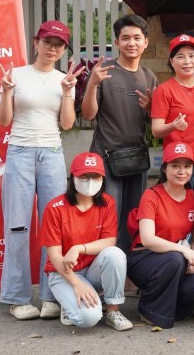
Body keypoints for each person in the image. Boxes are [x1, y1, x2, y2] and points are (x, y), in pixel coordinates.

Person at [0, 19, 82, 321]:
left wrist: (68, 91)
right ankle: (17, 297)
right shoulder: (16, 75)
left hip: (52, 154)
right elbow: (4, 120)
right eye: (48, 42)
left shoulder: (63, 79)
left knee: (53, 228)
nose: (52, 49)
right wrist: (6, 91)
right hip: (20, 151)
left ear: (64, 50)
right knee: (17, 226)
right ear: (37, 43)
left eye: (59, 45)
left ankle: (51, 295)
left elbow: (67, 124)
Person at [81, 14, 158, 253]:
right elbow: (89, 114)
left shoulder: (149, 77)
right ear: (117, 42)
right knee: (107, 218)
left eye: (137, 38)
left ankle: (128, 267)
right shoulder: (103, 72)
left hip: (136, 159)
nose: (131, 43)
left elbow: (153, 125)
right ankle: (105, 266)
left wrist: (150, 109)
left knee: (133, 218)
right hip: (107, 158)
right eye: (125, 38)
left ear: (145, 42)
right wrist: (92, 84)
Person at [41, 152, 132, 330]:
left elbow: (109, 241)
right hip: (63, 273)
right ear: (73, 177)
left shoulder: (107, 202)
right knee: (88, 319)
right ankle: (69, 301)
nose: (90, 181)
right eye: (84, 176)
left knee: (115, 254)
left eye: (95, 176)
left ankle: (112, 310)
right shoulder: (55, 208)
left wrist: (78, 248)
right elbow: (54, 256)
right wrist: (76, 284)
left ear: (103, 179)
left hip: (92, 270)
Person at [127, 142, 194, 328]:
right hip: (145, 257)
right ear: (164, 169)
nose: (182, 171)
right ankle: (150, 311)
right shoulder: (151, 195)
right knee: (174, 259)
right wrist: (184, 251)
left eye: (187, 166)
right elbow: (148, 239)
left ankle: (166, 307)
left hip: (177, 260)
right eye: (175, 166)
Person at [151, 34, 194, 194]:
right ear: (172, 61)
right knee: (180, 206)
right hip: (178, 162)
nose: (187, 61)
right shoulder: (164, 90)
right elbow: (156, 130)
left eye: (192, 56)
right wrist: (173, 126)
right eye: (180, 57)